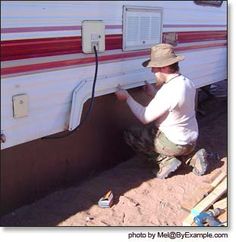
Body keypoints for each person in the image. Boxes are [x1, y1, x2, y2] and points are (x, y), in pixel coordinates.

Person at [115, 43, 209, 179]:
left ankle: (165, 161)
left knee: (132, 134)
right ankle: (193, 157)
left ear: (164, 67)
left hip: (174, 143)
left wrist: (127, 98)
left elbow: (144, 117)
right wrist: (154, 93)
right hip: (190, 141)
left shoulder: (168, 91)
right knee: (173, 141)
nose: (152, 71)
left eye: (154, 68)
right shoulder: (187, 82)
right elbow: (174, 105)